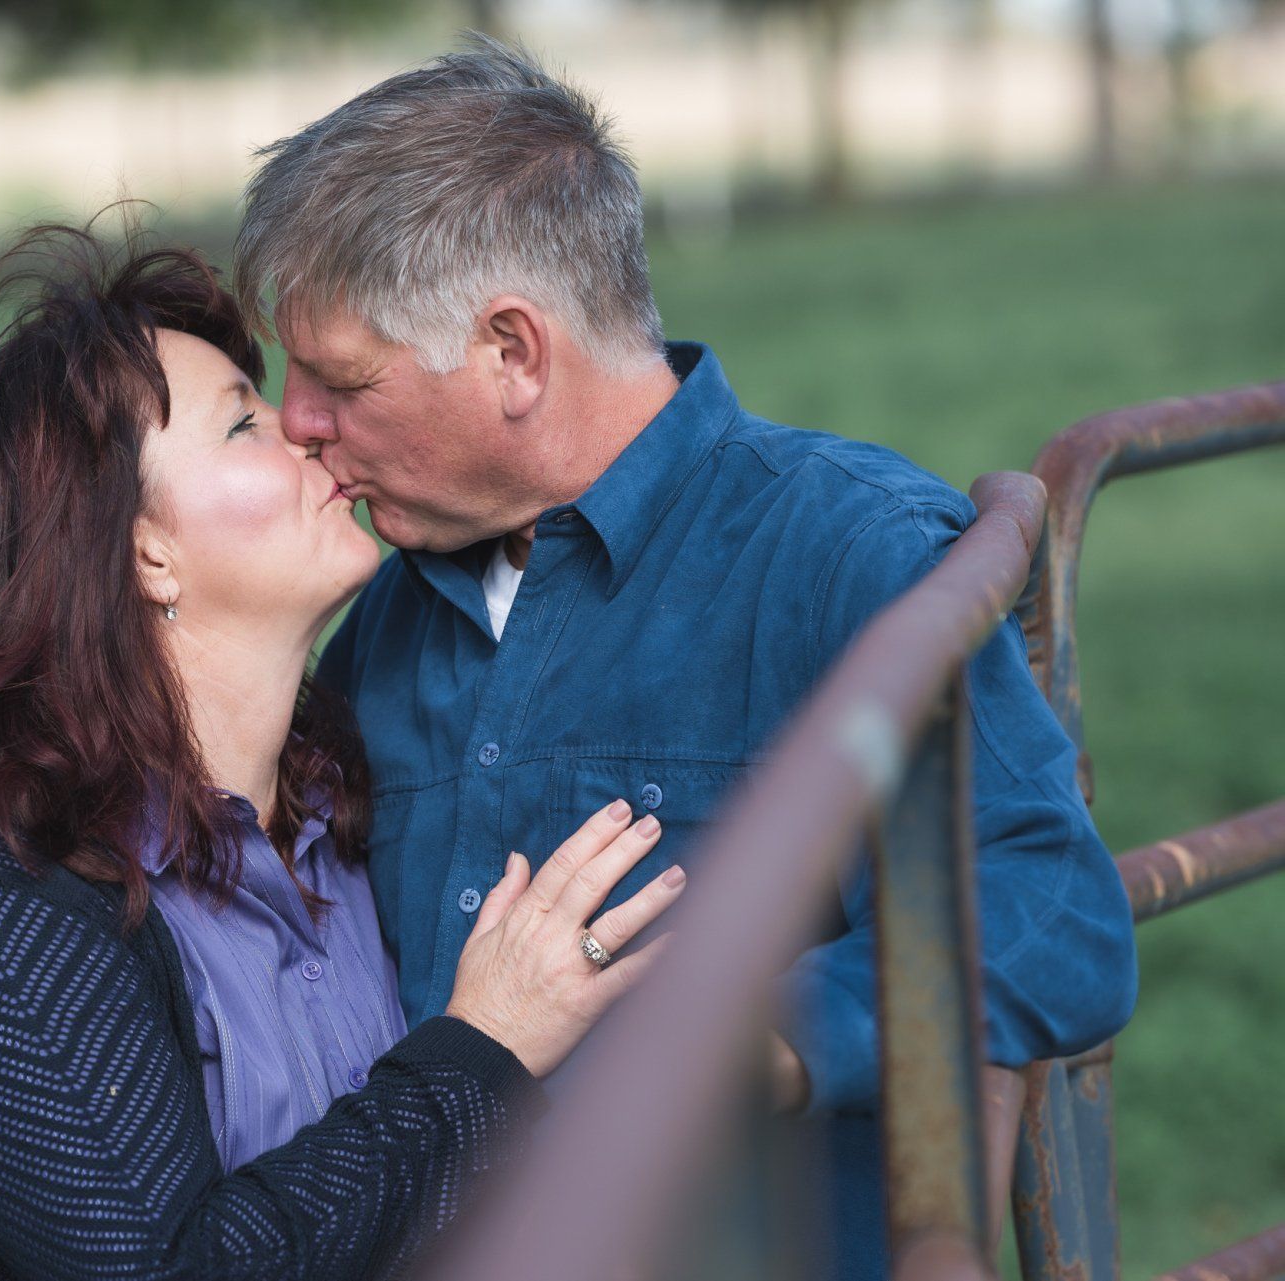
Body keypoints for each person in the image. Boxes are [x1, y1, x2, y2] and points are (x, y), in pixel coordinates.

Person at [235, 37, 1140, 1279]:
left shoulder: (846, 552)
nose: (297, 420)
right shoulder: (383, 615)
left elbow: (1050, 910)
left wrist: (724, 1046)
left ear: (513, 353)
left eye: (341, 378)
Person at [0, 222, 686, 1280]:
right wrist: (485, 1049)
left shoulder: (328, 828)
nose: (308, 429)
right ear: (146, 552)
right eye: (242, 427)